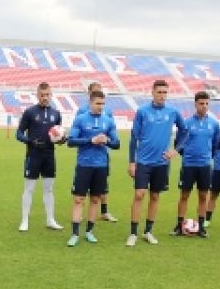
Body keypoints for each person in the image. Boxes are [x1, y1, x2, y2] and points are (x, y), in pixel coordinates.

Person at [127, 79, 182, 246]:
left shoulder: (173, 112)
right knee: (139, 194)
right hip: (143, 161)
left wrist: (176, 150)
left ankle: (148, 231)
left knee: (155, 196)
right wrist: (132, 162)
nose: (162, 95)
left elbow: (185, 132)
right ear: (152, 92)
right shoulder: (142, 111)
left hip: (162, 162)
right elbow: (134, 138)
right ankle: (133, 233)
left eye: (165, 92)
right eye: (159, 92)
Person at [65, 91, 120, 246]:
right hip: (84, 165)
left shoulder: (108, 121)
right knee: (79, 199)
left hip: (101, 165)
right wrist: (91, 140)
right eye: (98, 103)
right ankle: (75, 234)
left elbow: (117, 144)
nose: (101, 107)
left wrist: (107, 141)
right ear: (90, 103)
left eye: (103, 104)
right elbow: (71, 141)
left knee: (95, 199)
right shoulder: (81, 119)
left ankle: (89, 231)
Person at [16, 82, 64, 232]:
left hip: (49, 155)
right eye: (42, 95)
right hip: (33, 154)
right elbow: (19, 133)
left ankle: (50, 220)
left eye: (47, 95)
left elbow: (58, 134)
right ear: (37, 96)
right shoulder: (30, 112)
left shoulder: (56, 114)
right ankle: (24, 221)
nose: (45, 98)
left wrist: (61, 140)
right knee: (29, 188)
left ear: (51, 95)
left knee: (49, 189)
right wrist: (29, 141)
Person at [172, 92, 220, 237]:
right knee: (184, 195)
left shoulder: (214, 124)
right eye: (201, 103)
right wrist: (188, 156)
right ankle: (179, 225)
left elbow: (215, 145)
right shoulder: (186, 123)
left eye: (206, 103)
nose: (204, 106)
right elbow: (178, 143)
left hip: (205, 165)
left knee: (203, 196)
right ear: (195, 104)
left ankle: (201, 227)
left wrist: (207, 157)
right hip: (188, 165)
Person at [77, 82, 118, 223]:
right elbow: (77, 134)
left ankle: (104, 211)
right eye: (94, 91)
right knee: (82, 186)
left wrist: (107, 140)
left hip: (103, 153)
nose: (97, 94)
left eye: (99, 91)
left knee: (103, 182)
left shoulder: (107, 110)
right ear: (89, 94)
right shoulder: (82, 111)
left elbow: (113, 131)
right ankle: (80, 212)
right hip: (86, 154)